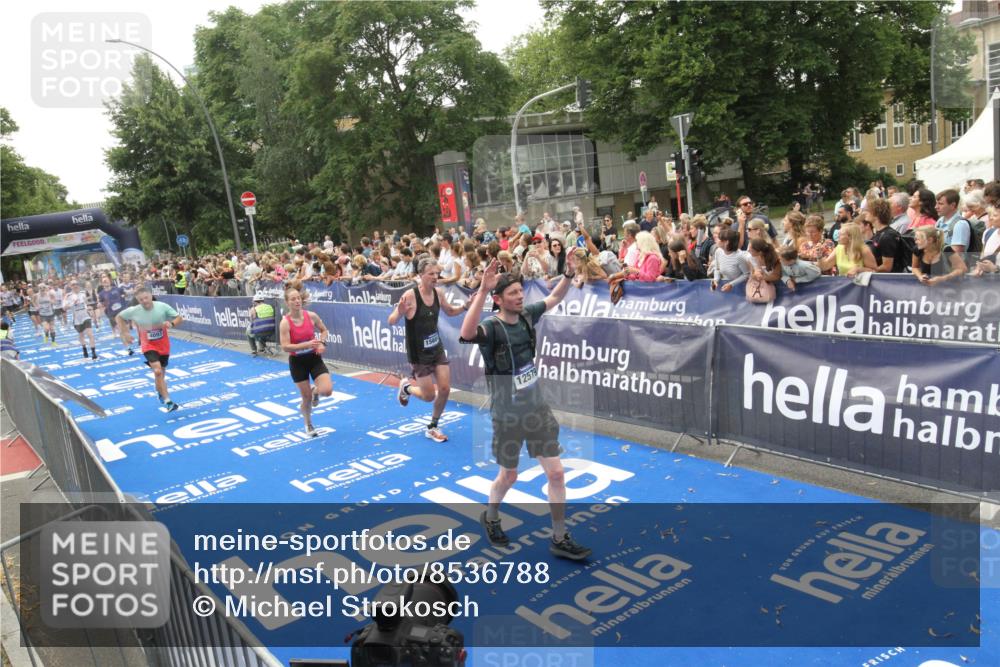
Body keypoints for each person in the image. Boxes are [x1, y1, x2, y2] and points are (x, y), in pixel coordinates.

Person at [458, 260, 590, 560]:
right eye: (513, 293)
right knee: (509, 476)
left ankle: (559, 537)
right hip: (507, 414)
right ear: (498, 299)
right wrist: (482, 290)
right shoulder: (491, 327)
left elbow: (554, 297)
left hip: (536, 409)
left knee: (556, 473)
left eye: (521, 291)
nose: (520, 297)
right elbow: (467, 333)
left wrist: (568, 274)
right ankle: (491, 516)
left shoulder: (527, 315)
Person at [388, 258, 470, 443]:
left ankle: (433, 426)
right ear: (420, 275)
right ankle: (407, 388)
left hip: (436, 348)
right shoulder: (410, 295)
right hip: (419, 353)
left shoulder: (439, 293)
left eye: (437, 273)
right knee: (428, 396)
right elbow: (391, 320)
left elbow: (450, 312)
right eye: (431, 274)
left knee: (445, 389)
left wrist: (465, 306)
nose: (435, 277)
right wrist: (400, 311)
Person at [116, 286, 184, 411]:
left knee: (161, 374)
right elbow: (119, 317)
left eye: (146, 298)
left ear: (151, 296)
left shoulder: (162, 306)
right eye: (141, 300)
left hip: (163, 345)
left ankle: (160, 391)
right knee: (157, 371)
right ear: (138, 300)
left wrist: (171, 323)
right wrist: (125, 333)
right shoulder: (134, 310)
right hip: (148, 345)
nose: (144, 301)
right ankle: (168, 402)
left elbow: (179, 317)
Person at [279, 287, 334, 436]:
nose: (297, 301)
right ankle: (308, 423)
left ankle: (315, 391)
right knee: (306, 398)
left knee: (327, 391)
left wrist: (321, 343)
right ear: (287, 303)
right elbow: (285, 346)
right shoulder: (285, 323)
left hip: (314, 358)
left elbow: (324, 330)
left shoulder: (311, 316)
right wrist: (307, 344)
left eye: (298, 298)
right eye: (293, 299)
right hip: (297, 362)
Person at [63, 280, 97, 360]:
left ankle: (93, 352)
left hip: (86, 316)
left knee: (90, 334)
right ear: (70, 286)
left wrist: (91, 311)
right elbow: (64, 307)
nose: (75, 286)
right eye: (73, 284)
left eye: (76, 284)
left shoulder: (83, 293)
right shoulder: (68, 296)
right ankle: (84, 349)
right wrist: (72, 303)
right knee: (81, 335)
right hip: (77, 319)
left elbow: (87, 304)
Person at [934, 189, 971, 256]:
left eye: (940, 204)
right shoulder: (940, 221)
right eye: (936, 203)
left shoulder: (960, 225)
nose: (936, 207)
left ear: (952, 205)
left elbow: (956, 255)